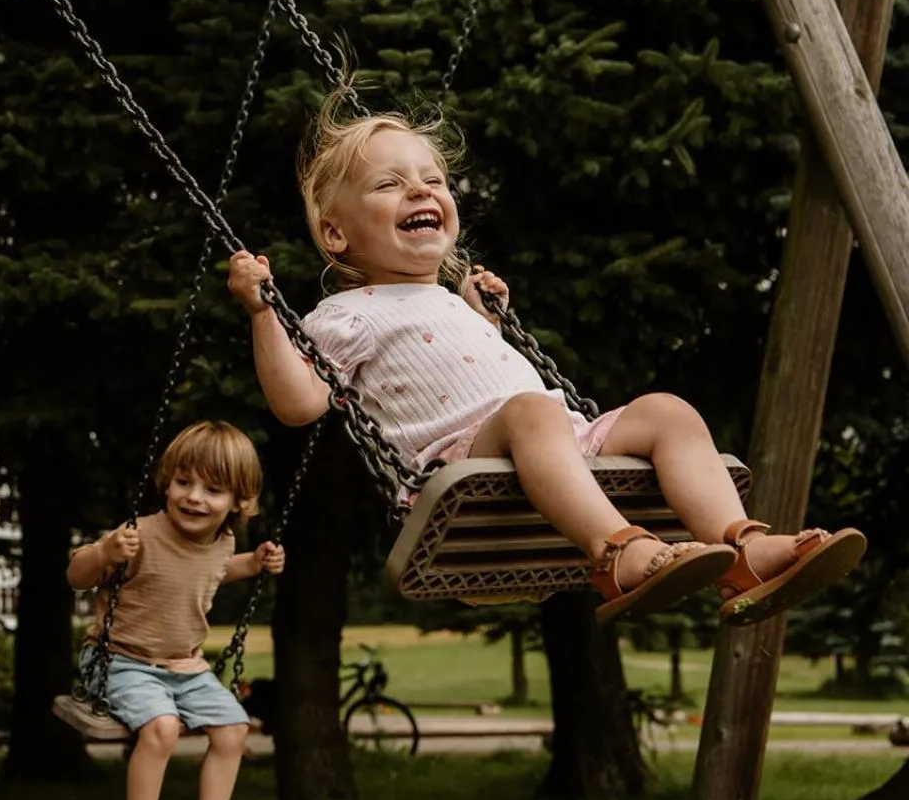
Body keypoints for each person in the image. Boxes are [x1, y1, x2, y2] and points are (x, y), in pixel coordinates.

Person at [225, 99, 864, 624]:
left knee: (667, 411)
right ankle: (618, 551)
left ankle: (742, 548)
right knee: (531, 410)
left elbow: (469, 372)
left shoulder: (449, 298)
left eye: (433, 180)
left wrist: (487, 321)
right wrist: (263, 315)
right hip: (460, 465)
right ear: (337, 234)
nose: (421, 189)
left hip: (556, 439)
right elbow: (298, 403)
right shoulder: (348, 313)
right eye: (390, 184)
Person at [68, 420, 285, 800]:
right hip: (120, 660)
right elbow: (76, 576)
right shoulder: (139, 536)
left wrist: (253, 563)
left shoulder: (224, 542)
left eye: (213, 490)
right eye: (184, 482)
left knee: (234, 730)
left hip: (185, 667)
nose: (194, 498)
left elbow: (214, 570)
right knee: (162, 728)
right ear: (167, 483)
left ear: (239, 501)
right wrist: (103, 554)